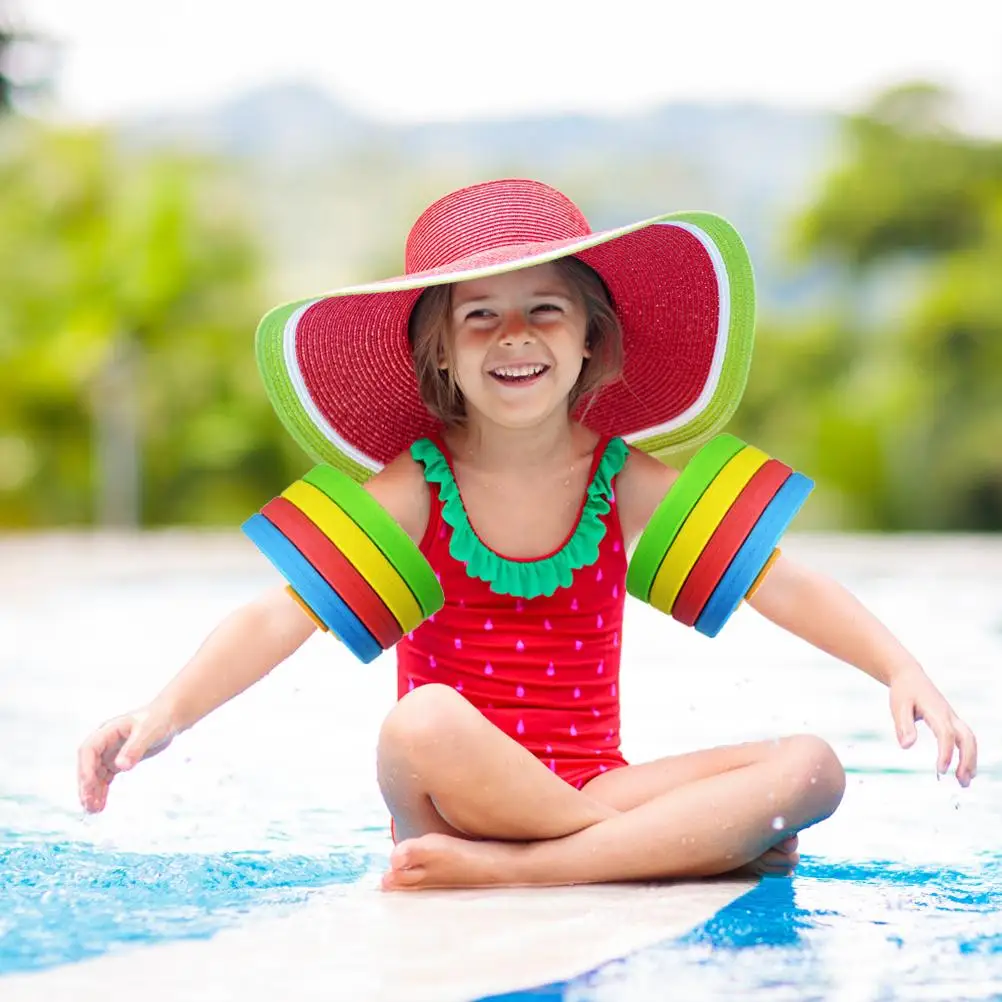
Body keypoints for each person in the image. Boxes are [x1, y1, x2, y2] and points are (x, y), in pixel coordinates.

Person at [77, 179, 978, 892]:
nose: (515, 336)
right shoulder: (416, 486)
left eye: (545, 309)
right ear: (441, 349)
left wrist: (901, 669)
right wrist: (163, 713)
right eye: (481, 315)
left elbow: (779, 581)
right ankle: (656, 848)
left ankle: (528, 869)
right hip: (450, 802)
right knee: (420, 720)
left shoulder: (619, 478)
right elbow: (278, 615)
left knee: (813, 769)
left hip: (591, 788)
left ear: (591, 337)